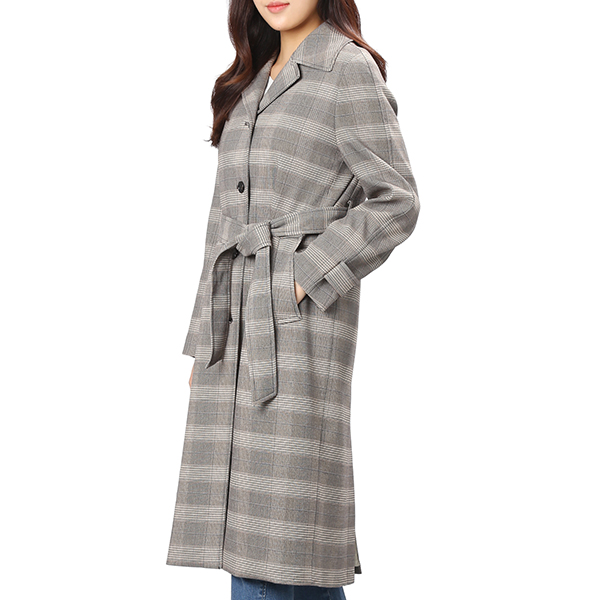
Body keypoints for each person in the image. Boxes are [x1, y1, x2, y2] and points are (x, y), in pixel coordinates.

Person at [166, 1, 420, 598]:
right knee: (272, 547)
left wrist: (304, 275)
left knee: (279, 537)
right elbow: (222, 219)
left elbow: (397, 200)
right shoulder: (251, 77)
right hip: (235, 332)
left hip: (297, 331)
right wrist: (208, 335)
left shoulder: (345, 67)